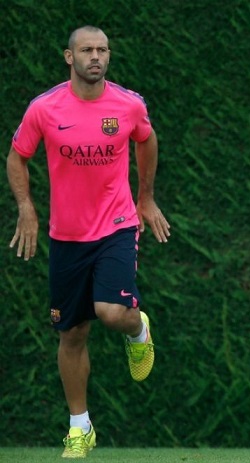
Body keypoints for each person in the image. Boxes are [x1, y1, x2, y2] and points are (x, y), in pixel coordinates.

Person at [7, 25, 170, 458]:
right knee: (72, 332)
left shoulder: (128, 104)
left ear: (109, 56)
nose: (95, 57)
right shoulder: (44, 108)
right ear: (69, 57)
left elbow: (147, 140)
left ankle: (138, 329)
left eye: (102, 50)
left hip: (117, 225)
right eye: (86, 50)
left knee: (111, 311)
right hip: (67, 237)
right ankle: (80, 427)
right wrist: (26, 208)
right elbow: (17, 157)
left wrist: (146, 198)